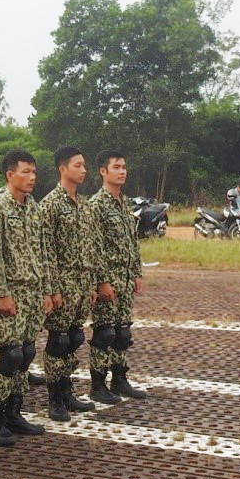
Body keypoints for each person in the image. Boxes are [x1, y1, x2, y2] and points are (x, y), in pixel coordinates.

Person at [0, 149, 54, 445]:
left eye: (34, 172)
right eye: (25, 172)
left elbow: (42, 250)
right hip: (9, 293)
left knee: (25, 353)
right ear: (10, 174)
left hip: (31, 292)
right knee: (10, 355)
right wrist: (1, 293)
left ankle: (15, 412)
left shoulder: (33, 207)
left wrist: (47, 289)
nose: (32, 177)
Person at [38, 147, 99, 421]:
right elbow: (45, 250)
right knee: (58, 341)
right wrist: (51, 289)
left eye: (84, 165)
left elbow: (90, 248)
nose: (83, 170)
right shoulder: (50, 204)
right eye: (78, 165)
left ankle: (67, 391)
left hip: (81, 283)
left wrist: (92, 284)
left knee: (74, 338)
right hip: (61, 284)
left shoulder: (84, 205)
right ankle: (54, 399)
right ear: (63, 169)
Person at [88, 150, 147, 403]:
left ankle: (120, 379)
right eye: (116, 167)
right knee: (105, 333)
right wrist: (102, 281)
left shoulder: (123, 203)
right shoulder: (96, 205)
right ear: (103, 171)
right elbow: (94, 246)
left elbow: (132, 242)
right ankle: (98, 384)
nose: (122, 171)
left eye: (124, 166)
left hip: (124, 279)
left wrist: (136, 272)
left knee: (123, 333)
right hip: (108, 280)